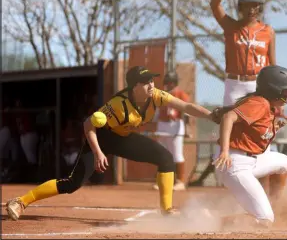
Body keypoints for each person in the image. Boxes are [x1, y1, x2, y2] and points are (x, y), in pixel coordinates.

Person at [5, 66, 221, 221]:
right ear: (134, 86)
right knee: (72, 184)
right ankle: (21, 201)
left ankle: (167, 209)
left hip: (123, 139)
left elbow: (186, 106)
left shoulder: (156, 96)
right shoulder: (118, 104)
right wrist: (99, 153)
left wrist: (211, 115)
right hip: (101, 138)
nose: (151, 85)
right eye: (146, 82)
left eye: (152, 80)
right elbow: (88, 125)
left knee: (165, 158)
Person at [189, 0, 280, 192]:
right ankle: (235, 186)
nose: (252, 9)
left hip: (259, 86)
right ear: (240, 6)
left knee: (261, 138)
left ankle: (263, 192)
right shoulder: (230, 26)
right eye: (247, 5)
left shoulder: (268, 31)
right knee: (231, 134)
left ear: (260, 7)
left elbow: (272, 64)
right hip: (234, 85)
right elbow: (214, 4)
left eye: (256, 5)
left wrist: (276, 98)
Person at [213, 65, 287, 227]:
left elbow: (254, 134)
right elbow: (228, 117)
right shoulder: (260, 103)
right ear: (273, 91)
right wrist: (224, 151)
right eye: (285, 91)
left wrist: (274, 128)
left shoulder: (268, 106)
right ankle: (213, 220)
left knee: (284, 162)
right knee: (265, 221)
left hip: (249, 160)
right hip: (234, 164)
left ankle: (272, 203)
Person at [152, 71, 191, 191]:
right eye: (167, 83)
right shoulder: (161, 94)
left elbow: (186, 113)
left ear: (174, 83)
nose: (168, 85)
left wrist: (187, 129)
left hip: (176, 125)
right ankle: (162, 181)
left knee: (177, 154)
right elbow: (157, 112)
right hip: (162, 125)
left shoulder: (181, 94)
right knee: (161, 154)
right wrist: (154, 124)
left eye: (170, 83)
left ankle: (180, 182)